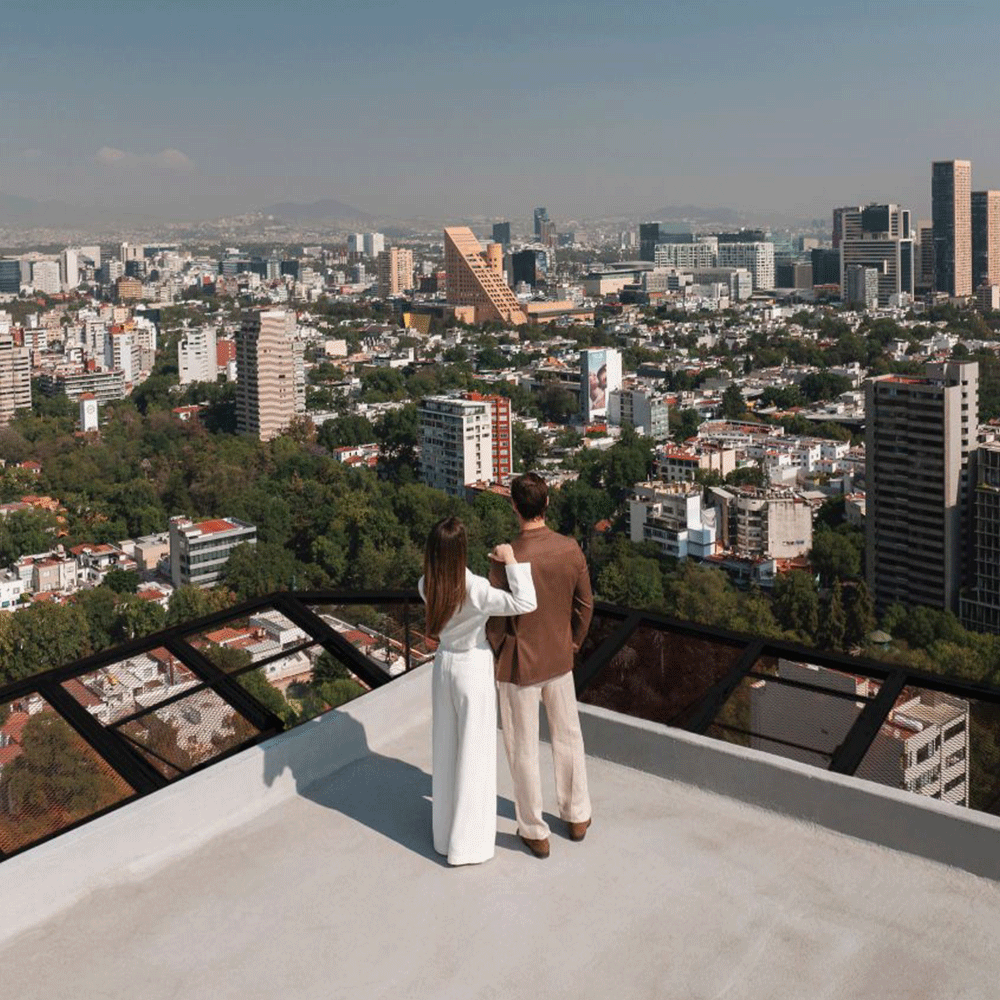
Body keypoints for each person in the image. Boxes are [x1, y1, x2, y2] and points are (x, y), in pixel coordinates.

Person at [418, 516, 537, 867]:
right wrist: (511, 561)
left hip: (443, 666)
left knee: (446, 749)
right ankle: (467, 844)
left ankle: (444, 836)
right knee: (475, 753)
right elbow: (524, 602)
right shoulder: (477, 589)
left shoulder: (427, 585)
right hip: (472, 666)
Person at [486, 473, 593, 859]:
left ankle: (534, 829)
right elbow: (585, 605)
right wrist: (574, 641)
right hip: (559, 657)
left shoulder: (506, 557)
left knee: (523, 747)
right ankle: (577, 813)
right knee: (568, 737)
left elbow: (495, 616)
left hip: (519, 663)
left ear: (514, 506)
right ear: (546, 504)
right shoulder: (569, 549)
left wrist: (497, 649)